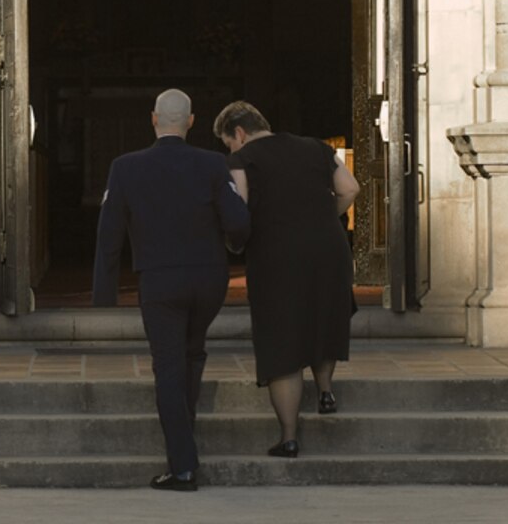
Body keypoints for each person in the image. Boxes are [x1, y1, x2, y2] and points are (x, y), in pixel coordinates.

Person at [93, 88, 250, 492]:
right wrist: (232, 248)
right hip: (209, 279)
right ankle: (185, 439)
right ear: (192, 121)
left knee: (168, 366)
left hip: (160, 280)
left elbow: (109, 233)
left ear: (153, 119)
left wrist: (103, 295)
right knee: (191, 353)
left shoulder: (125, 167)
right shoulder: (215, 164)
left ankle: (182, 467)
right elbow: (238, 222)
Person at [213, 100, 360, 458]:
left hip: (277, 253)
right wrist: (321, 217)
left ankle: (289, 436)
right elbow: (350, 188)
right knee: (324, 317)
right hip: (329, 247)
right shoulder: (316, 147)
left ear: (239, 133)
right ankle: (325, 391)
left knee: (282, 343)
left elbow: (239, 213)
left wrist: (235, 244)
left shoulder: (242, 159)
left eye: (227, 142)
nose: (229, 149)